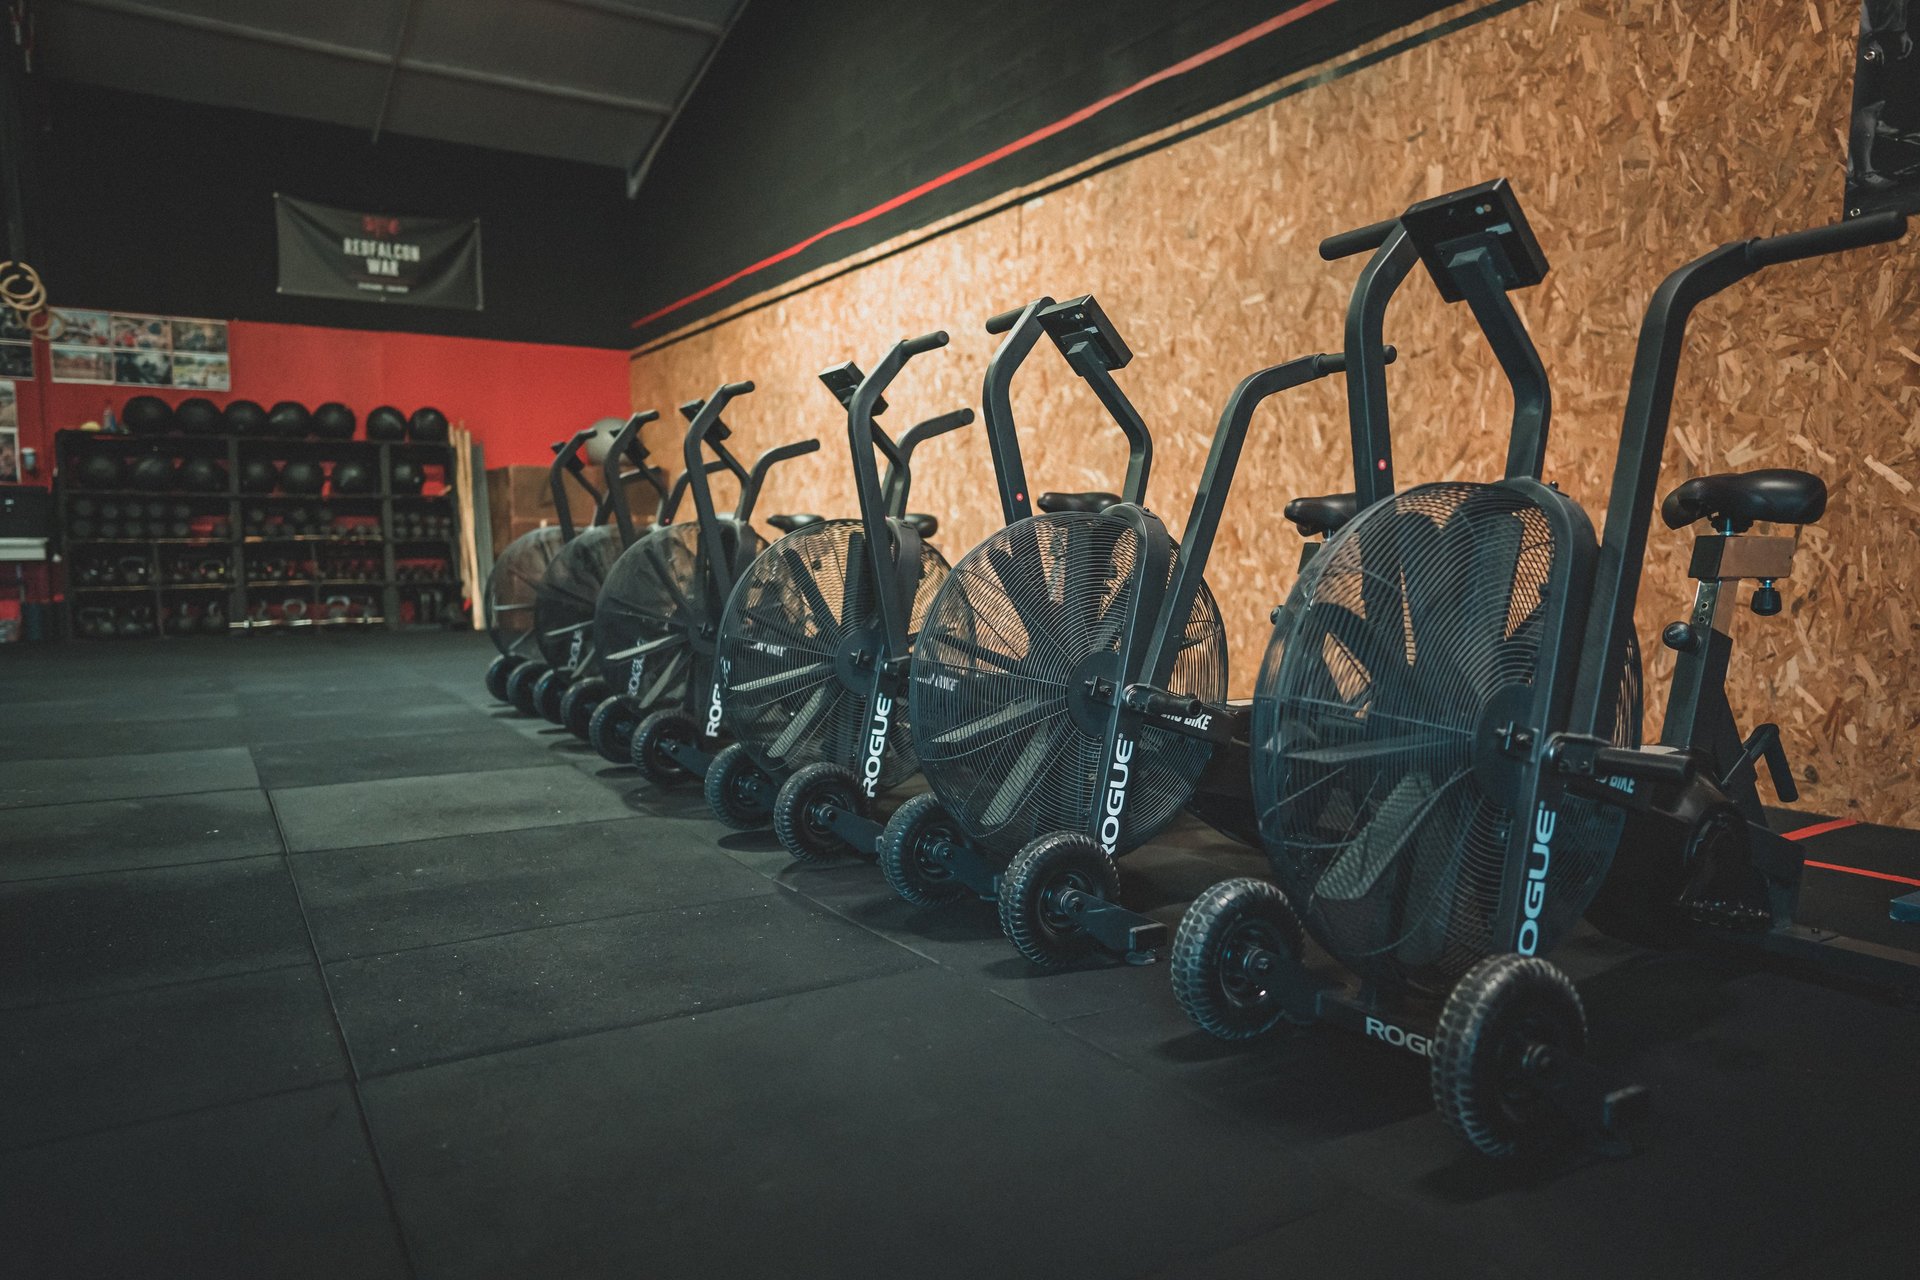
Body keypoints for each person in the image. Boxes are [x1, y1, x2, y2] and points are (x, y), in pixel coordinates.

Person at [1852, 0, 1915, 192]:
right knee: (1867, 105)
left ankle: (1857, 170)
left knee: (1876, 101)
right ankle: (1864, 173)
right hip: (1870, 38)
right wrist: (1868, 37)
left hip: (1886, 34)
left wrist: (1900, 31)